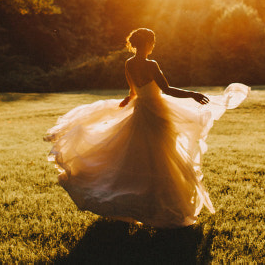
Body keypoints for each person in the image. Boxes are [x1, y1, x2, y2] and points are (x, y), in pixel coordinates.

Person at [45, 28, 249, 228]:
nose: (153, 46)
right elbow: (166, 89)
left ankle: (139, 205)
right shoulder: (151, 64)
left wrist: (127, 100)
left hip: (140, 112)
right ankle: (165, 208)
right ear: (147, 44)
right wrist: (192, 94)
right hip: (157, 114)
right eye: (152, 42)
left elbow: (133, 92)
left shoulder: (129, 63)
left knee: (139, 157)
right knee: (162, 158)